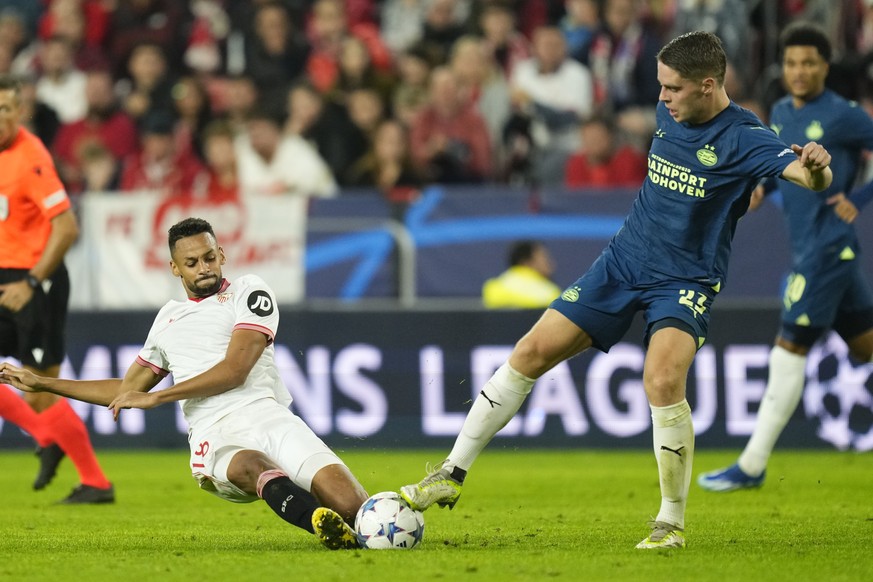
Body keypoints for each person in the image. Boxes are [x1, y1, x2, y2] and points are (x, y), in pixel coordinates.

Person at [399, 31, 834, 550]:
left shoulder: (744, 136)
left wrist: (817, 167)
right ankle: (450, 472)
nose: (662, 98)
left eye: (672, 89)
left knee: (662, 379)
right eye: (660, 86)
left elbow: (809, 180)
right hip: (623, 262)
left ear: (708, 85)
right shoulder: (668, 114)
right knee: (529, 351)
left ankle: (670, 522)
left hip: (685, 280)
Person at [0, 217, 369, 550]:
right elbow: (125, 390)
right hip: (216, 435)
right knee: (254, 465)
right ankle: (323, 529)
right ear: (175, 268)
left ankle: (381, 514)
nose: (204, 268)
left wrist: (161, 398)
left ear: (221, 254)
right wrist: (44, 383)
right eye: (192, 263)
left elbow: (235, 370)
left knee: (354, 505)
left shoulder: (249, 291)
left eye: (209, 257)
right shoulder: (168, 319)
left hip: (270, 417)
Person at [698, 23, 873, 492]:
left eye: (809, 63)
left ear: (825, 67)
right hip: (812, 245)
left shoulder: (845, 115)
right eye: (792, 63)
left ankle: (752, 464)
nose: (799, 71)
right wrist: (761, 185)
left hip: (827, 247)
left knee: (789, 345)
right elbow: (782, 166)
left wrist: (864, 194)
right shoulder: (778, 110)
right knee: (864, 347)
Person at [0, 74, 114, 503]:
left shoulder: (31, 158)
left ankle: (97, 483)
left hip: (36, 283)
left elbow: (66, 228)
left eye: (5, 109)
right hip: (3, 276)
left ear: (20, 112)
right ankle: (48, 436)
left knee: (41, 387)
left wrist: (30, 282)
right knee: (40, 398)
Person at [482, 240, 562, 309]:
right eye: (545, 258)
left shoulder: (494, 287)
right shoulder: (549, 293)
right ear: (526, 262)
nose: (551, 264)